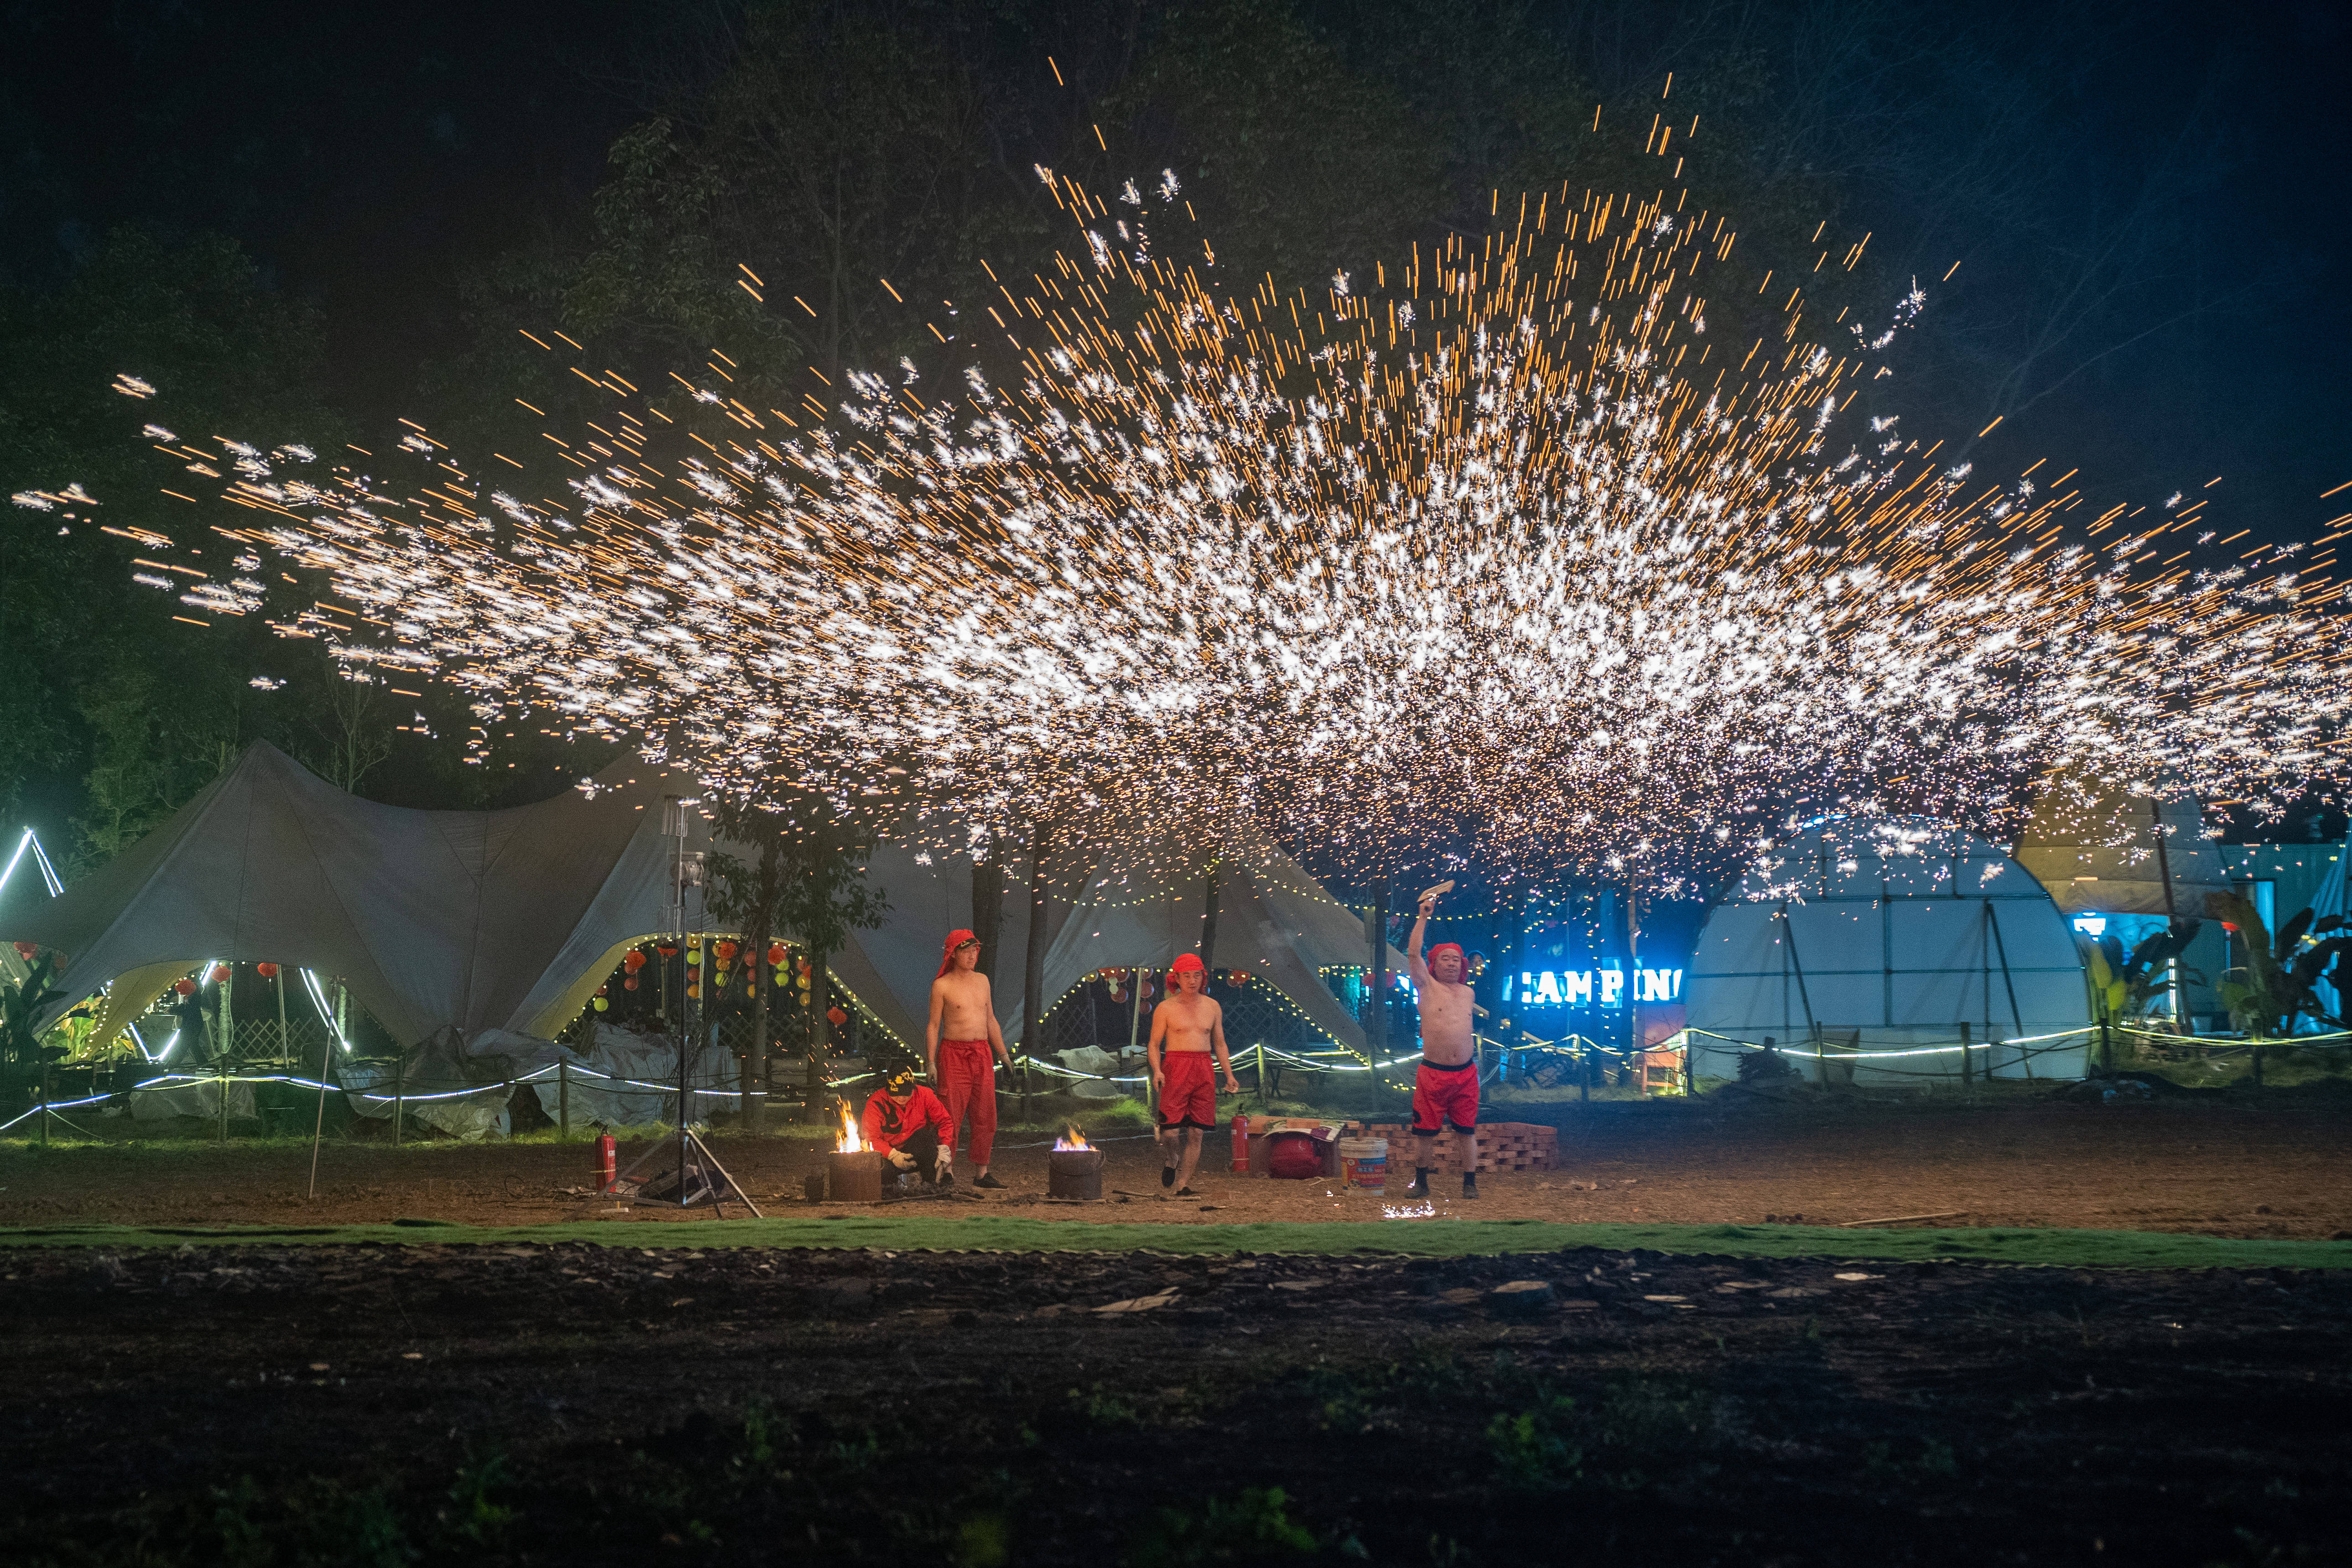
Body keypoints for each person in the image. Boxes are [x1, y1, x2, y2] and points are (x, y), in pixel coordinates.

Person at [1403, 888, 1480, 1199]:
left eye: (1454, 960)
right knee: (1424, 1133)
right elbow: (1413, 954)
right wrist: (1423, 917)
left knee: (1467, 1131)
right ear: (1433, 964)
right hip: (1433, 1073)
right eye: (1444, 959)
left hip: (1465, 1073)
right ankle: (1421, 1181)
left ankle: (1470, 1183)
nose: (1450, 964)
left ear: (1461, 965)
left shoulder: (1468, 994)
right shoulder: (1426, 985)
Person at [1146, 952, 1241, 1195]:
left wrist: (1229, 1075)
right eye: (1186, 976)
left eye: (1197, 975)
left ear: (1203, 978)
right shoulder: (1165, 1008)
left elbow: (1219, 1043)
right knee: (1170, 1132)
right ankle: (1172, 1158)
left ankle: (1184, 1185)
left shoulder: (1213, 1007)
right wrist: (1157, 1070)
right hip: (1176, 1066)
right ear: (1176, 978)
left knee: (1197, 1131)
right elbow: (1154, 1045)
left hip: (1203, 1067)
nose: (1192, 981)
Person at [927, 928, 1014, 1189]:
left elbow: (990, 1020)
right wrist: (930, 1062)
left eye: (975, 950)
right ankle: (947, 1170)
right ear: (953, 954)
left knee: (986, 1114)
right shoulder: (942, 985)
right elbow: (933, 1026)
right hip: (953, 1055)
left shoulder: (983, 981)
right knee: (950, 1115)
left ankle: (981, 1173)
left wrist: (1004, 1054)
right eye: (967, 951)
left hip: (982, 1053)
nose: (973, 956)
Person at [860, 1068, 956, 1188]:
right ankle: (889, 1186)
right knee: (880, 1169)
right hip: (888, 1155)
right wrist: (892, 1155)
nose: (901, 1098)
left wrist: (944, 1148)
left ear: (913, 1088)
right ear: (888, 1090)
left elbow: (945, 1122)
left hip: (915, 1148)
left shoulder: (925, 1095)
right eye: (896, 1094)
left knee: (925, 1136)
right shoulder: (876, 1102)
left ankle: (930, 1183)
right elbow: (870, 1139)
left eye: (906, 1094)